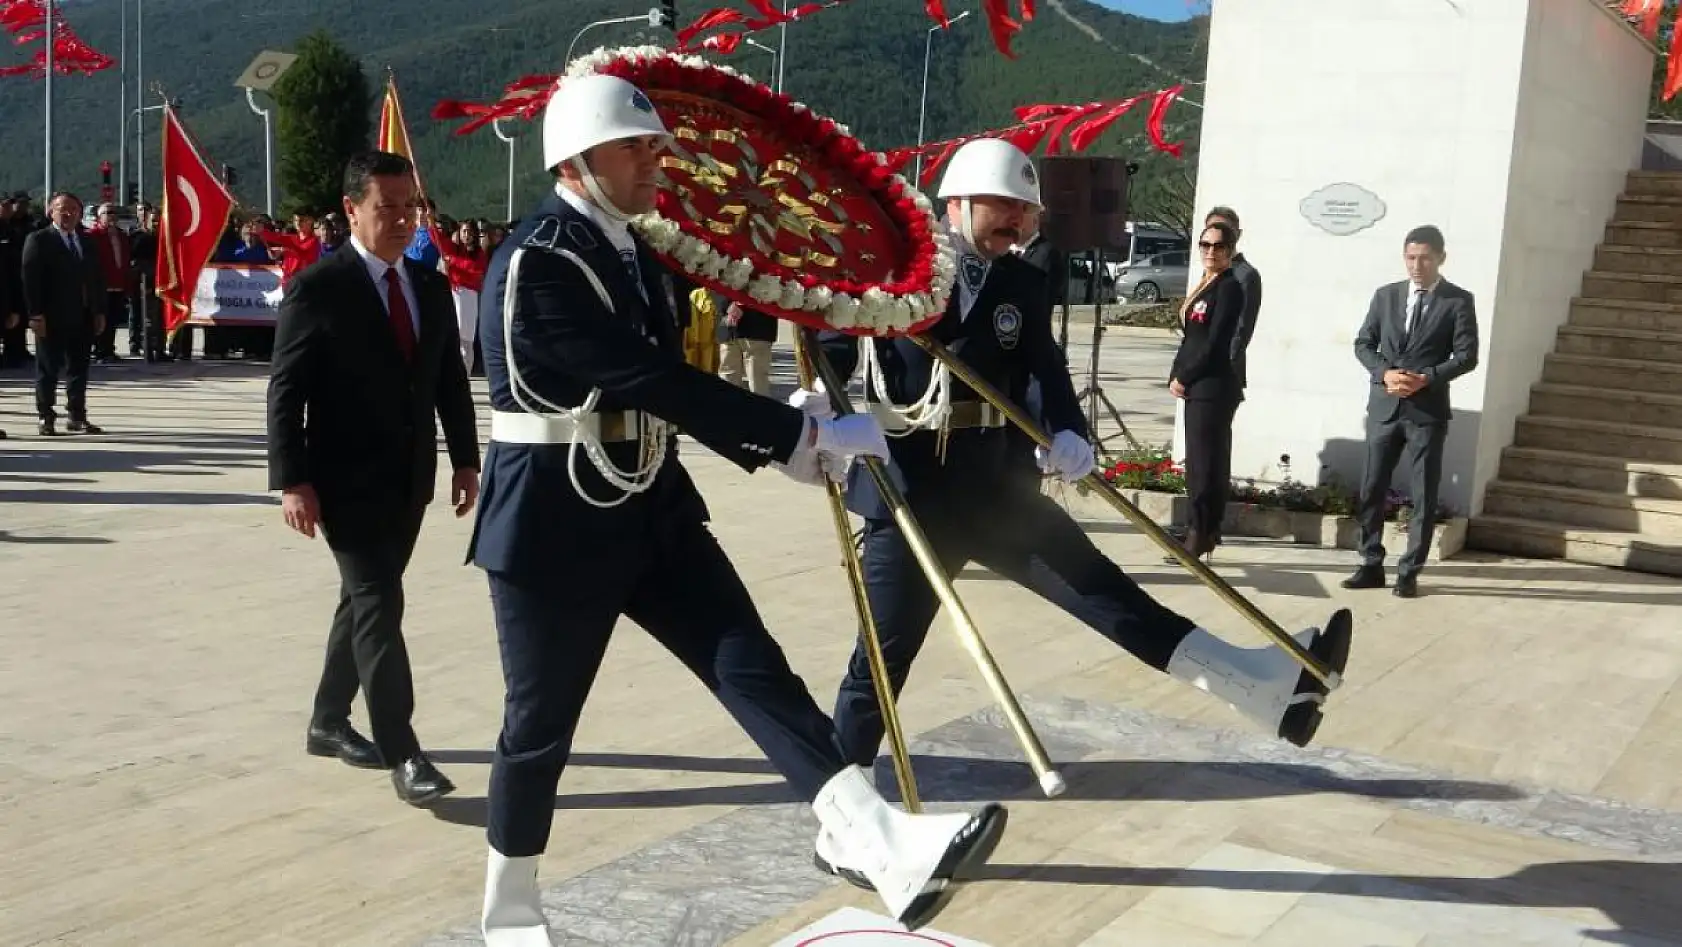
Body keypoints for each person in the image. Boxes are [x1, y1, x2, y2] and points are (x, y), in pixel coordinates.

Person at [467, 73, 1007, 943]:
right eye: (637, 147)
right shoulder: (538, 259)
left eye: (655, 147)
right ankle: (513, 912)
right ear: (578, 158)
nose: (657, 161)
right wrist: (788, 441)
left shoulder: (633, 251)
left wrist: (796, 425)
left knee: (753, 668)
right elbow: (647, 378)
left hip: (651, 506)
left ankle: (881, 845)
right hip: (555, 524)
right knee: (539, 727)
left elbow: (673, 387)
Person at [794, 137, 1351, 887]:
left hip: (996, 492)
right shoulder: (894, 272)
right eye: (1004, 208)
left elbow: (1047, 372)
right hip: (910, 495)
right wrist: (822, 415)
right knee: (882, 660)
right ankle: (846, 822)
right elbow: (823, 341)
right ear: (955, 204)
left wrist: (1068, 433)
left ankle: (1263, 688)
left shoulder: (1023, 283)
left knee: (1109, 595)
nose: (1019, 223)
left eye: (1025, 211)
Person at [266, 151, 481, 806]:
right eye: (385, 207)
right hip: (343, 482)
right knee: (380, 603)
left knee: (363, 600)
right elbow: (286, 391)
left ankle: (328, 720)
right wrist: (292, 478)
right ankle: (403, 749)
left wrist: (467, 458)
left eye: (408, 206)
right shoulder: (319, 286)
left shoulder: (428, 284)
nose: (399, 218)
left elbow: (448, 379)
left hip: (410, 478)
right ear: (352, 209)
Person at [1345, 225, 1479, 598]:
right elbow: (1363, 343)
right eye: (1410, 257)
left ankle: (1409, 571)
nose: (1416, 265)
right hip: (1384, 406)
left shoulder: (1458, 301)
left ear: (1440, 258)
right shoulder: (1386, 296)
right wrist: (1384, 372)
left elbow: (1467, 355)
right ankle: (1370, 562)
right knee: (1372, 486)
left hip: (1426, 410)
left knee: (1423, 493)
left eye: (1424, 258)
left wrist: (1427, 378)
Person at [1168, 221, 1246, 559]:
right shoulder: (1206, 283)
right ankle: (1198, 528)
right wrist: (1177, 370)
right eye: (1205, 245)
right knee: (1199, 462)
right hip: (1196, 383)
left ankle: (1201, 533)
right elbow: (1191, 337)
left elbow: (1215, 344)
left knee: (1205, 463)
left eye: (1218, 246)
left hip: (1212, 385)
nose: (1210, 252)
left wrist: (1184, 375)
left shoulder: (1229, 288)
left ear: (1230, 251)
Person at [21, 191, 106, 436]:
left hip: (83, 315)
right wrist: (35, 314)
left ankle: (77, 415)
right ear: (51, 211)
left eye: (73, 210)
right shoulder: (39, 240)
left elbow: (96, 279)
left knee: (79, 369)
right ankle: (45, 416)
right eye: (62, 208)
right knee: (48, 369)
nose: (68, 213)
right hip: (51, 317)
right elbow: (30, 281)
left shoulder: (86, 241)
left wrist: (99, 311)